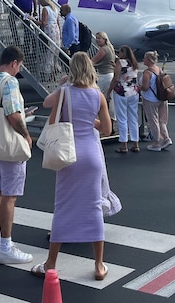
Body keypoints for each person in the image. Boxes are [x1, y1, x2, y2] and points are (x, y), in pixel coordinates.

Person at [32, 53, 112, 281]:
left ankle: (50, 263)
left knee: (63, 207)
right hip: (92, 157)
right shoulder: (97, 95)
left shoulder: (64, 93)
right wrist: (89, 121)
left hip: (69, 155)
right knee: (94, 207)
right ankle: (98, 265)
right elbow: (106, 129)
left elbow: (53, 121)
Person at [0, 46, 34, 265]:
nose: (18, 70)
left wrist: (22, 113)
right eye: (19, 66)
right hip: (11, 146)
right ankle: (6, 246)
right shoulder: (11, 82)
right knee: (10, 196)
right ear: (14, 63)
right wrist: (26, 134)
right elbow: (13, 115)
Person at [111, 45, 140, 153]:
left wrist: (109, 90)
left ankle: (124, 144)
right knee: (133, 117)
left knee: (122, 118)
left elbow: (116, 78)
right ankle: (135, 143)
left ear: (123, 53)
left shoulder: (120, 62)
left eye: (119, 52)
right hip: (134, 91)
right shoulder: (134, 63)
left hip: (122, 91)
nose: (118, 54)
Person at [141, 51, 172, 151]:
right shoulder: (158, 69)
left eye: (145, 58)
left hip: (150, 99)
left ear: (149, 60)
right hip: (162, 98)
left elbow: (145, 87)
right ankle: (166, 138)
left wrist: (138, 87)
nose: (143, 60)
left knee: (153, 121)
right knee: (162, 120)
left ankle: (156, 142)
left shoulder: (147, 72)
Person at [90, 31, 116, 121]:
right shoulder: (110, 48)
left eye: (99, 38)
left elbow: (93, 61)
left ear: (104, 39)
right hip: (110, 74)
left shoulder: (103, 49)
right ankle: (111, 119)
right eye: (96, 38)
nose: (97, 40)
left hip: (104, 75)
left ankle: (102, 119)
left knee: (98, 97)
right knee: (109, 99)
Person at [37, 0, 62, 82]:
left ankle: (46, 74)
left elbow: (43, 23)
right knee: (55, 52)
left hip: (49, 30)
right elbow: (58, 22)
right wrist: (60, 34)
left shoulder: (45, 9)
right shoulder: (55, 8)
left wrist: (33, 20)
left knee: (48, 53)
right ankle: (54, 73)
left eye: (39, 1)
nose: (38, 3)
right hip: (56, 31)